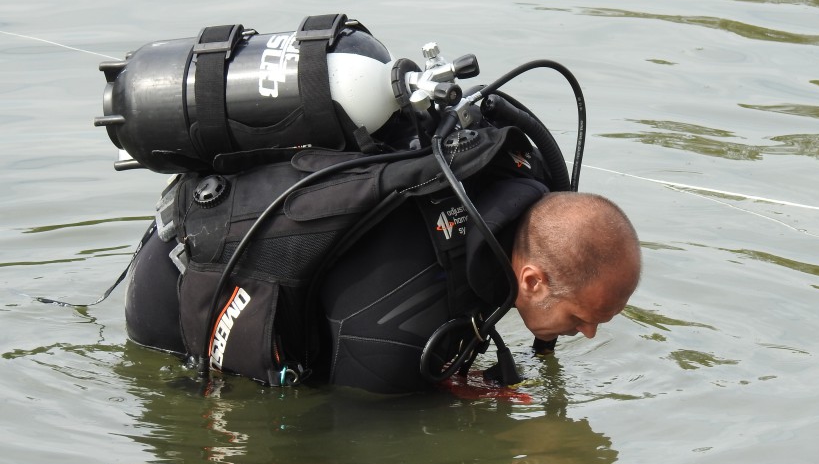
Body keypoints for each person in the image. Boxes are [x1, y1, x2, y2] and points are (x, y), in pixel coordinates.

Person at [125, 155, 641, 395]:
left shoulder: (509, 189)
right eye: (582, 317)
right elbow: (356, 420)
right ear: (531, 281)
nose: (591, 333)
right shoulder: (404, 322)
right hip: (171, 295)